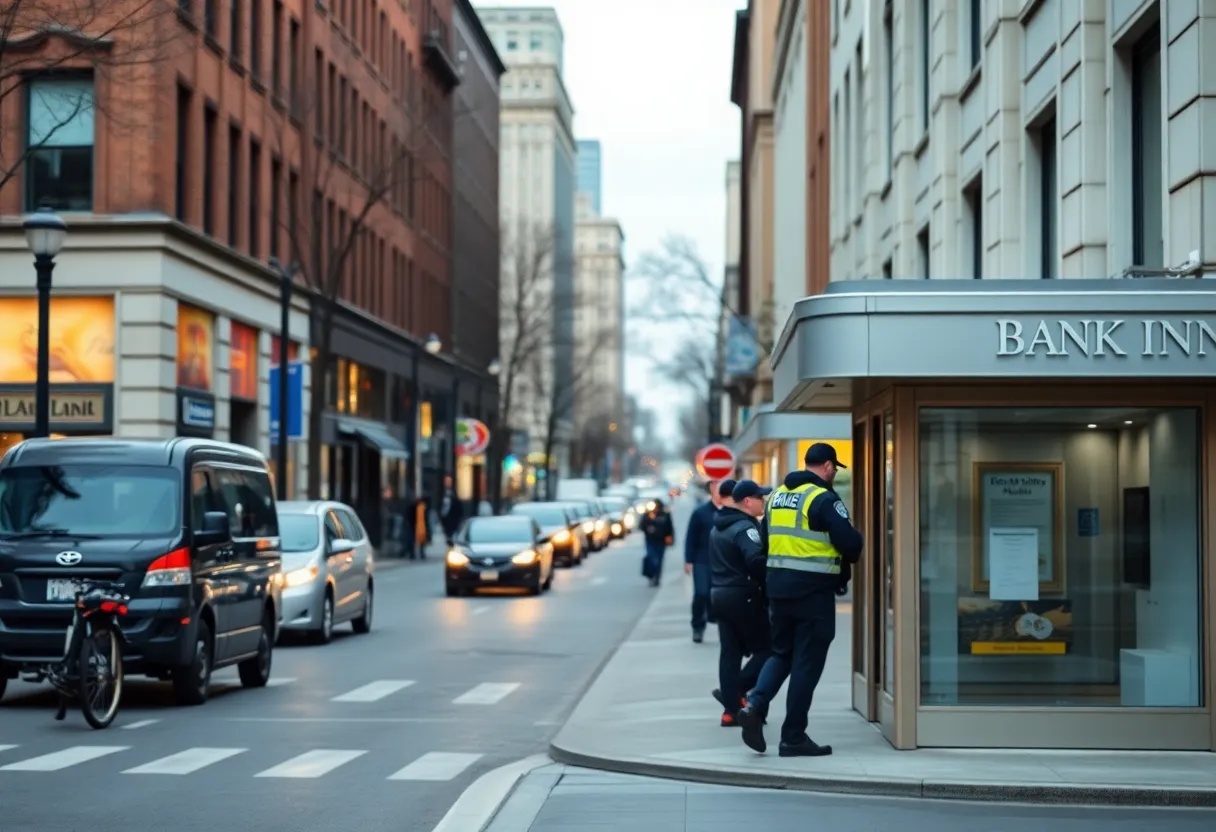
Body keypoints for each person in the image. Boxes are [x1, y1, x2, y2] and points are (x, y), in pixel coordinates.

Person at [737, 442, 862, 758]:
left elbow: (764, 544)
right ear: (829, 466)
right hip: (813, 596)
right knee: (807, 663)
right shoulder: (823, 499)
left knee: (781, 654)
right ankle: (793, 737)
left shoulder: (777, 496)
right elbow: (850, 546)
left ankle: (754, 704)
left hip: (779, 593)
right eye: (834, 468)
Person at [709, 479, 772, 727]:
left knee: (730, 653)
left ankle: (730, 712)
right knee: (770, 650)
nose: (763, 502)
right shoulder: (745, 528)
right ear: (747, 502)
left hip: (720, 595)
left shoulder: (718, 527)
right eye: (760, 498)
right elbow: (756, 561)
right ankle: (735, 692)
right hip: (743, 596)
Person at [683, 481, 722, 643]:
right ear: (711, 489)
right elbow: (690, 537)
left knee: (720, 597)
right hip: (702, 560)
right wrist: (688, 560)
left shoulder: (730, 512)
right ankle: (698, 627)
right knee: (701, 593)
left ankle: (719, 623)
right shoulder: (701, 513)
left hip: (722, 561)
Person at [639, 498, 675, 587]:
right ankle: (651, 575)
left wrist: (670, 538)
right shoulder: (647, 514)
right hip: (650, 540)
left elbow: (669, 527)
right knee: (651, 558)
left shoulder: (664, 514)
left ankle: (657, 578)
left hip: (661, 541)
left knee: (659, 560)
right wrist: (648, 522)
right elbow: (641, 526)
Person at [438, 475, 463, 545]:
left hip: (453, 519)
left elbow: (459, 509)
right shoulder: (442, 494)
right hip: (446, 519)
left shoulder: (455, 497)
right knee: (448, 533)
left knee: (451, 533)